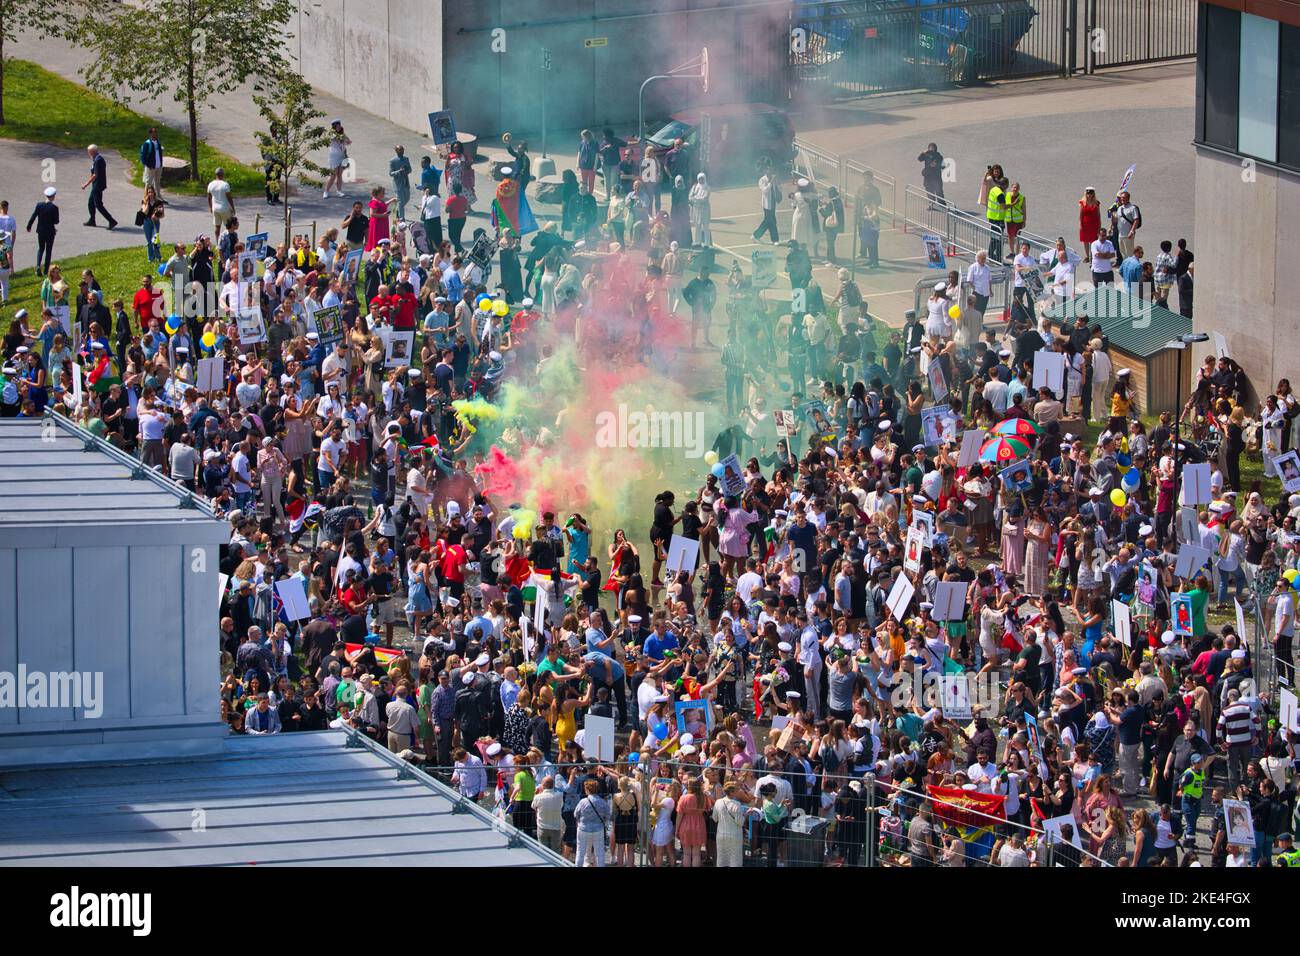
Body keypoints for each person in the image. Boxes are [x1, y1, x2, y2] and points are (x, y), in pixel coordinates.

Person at [81, 144, 117, 230]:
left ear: (93, 152)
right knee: (91, 203)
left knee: (98, 205)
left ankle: (111, 221)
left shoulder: (98, 160)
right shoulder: (96, 159)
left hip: (98, 185)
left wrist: (86, 184)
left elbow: (95, 175)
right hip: (96, 185)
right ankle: (92, 220)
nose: (88, 153)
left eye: (89, 152)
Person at [26, 187, 59, 276]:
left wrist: (29, 226)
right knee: (48, 250)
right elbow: (56, 221)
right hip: (50, 232)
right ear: (53, 196)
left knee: (41, 249)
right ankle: (46, 270)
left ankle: (38, 266)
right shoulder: (54, 208)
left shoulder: (39, 205)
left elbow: (34, 215)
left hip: (40, 231)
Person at [206, 167, 234, 239]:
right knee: (229, 227)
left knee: (217, 227)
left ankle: (218, 243)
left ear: (216, 174)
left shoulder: (211, 184)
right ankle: (228, 242)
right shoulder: (225, 185)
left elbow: (209, 197)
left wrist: (210, 207)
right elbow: (229, 198)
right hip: (224, 208)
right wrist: (233, 208)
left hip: (215, 208)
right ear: (223, 175)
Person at [139, 128, 166, 200]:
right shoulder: (147, 144)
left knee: (157, 182)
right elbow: (143, 156)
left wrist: (160, 164)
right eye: (154, 132)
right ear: (150, 134)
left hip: (158, 166)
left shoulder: (158, 142)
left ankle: (158, 196)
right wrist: (148, 165)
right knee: (148, 183)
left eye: (156, 132)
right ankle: (146, 197)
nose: (155, 134)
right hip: (151, 167)